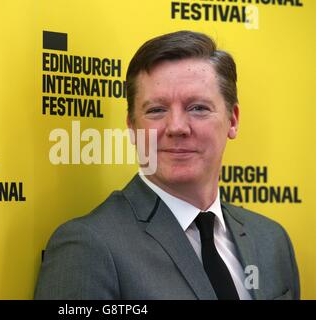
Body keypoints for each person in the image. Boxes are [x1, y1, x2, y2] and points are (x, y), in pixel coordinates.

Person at [34, 31, 300, 300]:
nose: (176, 127)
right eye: (156, 110)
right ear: (132, 127)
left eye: (197, 108)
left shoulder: (272, 240)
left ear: (233, 120)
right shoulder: (88, 247)